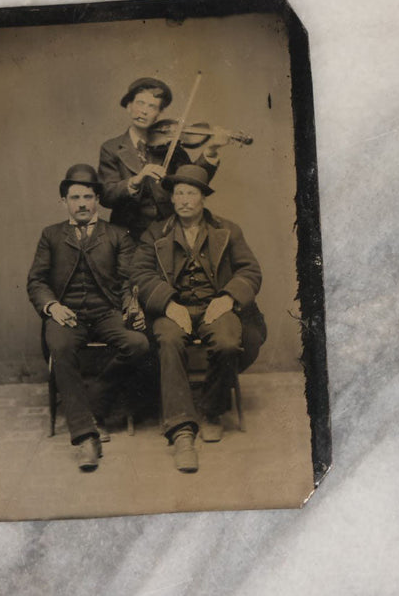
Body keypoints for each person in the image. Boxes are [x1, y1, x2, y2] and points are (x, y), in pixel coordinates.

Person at [130, 165, 266, 473]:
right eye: (178, 193)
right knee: (167, 341)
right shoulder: (156, 232)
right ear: (173, 198)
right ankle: (181, 430)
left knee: (229, 342)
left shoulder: (228, 230)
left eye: (191, 193)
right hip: (173, 308)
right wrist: (167, 303)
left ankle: (212, 410)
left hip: (214, 305)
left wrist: (228, 298)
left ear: (203, 197)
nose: (184, 200)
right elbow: (139, 273)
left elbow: (250, 270)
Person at [27, 164, 149, 471]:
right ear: (64, 201)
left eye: (88, 197)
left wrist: (131, 305)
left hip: (107, 312)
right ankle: (85, 437)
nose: (82, 203)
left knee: (138, 344)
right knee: (61, 346)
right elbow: (36, 281)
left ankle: (93, 400)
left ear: (97, 200)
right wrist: (52, 306)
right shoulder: (51, 235)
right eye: (75, 197)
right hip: (67, 314)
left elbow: (128, 280)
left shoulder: (118, 235)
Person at [98, 77, 224, 241]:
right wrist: (136, 181)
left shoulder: (171, 145)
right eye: (140, 103)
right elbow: (106, 195)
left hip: (168, 232)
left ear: (159, 114)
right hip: (127, 235)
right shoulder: (111, 148)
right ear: (129, 106)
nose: (143, 111)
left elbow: (193, 179)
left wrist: (211, 150)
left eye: (151, 106)